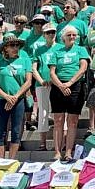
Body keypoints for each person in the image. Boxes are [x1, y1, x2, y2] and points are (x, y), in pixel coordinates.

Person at [47, 26, 89, 161]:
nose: (72, 37)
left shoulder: (81, 49)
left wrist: (70, 83)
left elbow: (83, 68)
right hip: (58, 86)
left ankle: (69, 151)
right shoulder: (57, 51)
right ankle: (57, 151)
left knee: (72, 120)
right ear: (63, 37)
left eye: (74, 35)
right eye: (69, 35)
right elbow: (52, 71)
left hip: (75, 85)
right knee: (58, 120)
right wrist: (61, 85)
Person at [0, 35, 33, 160]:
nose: (15, 48)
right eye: (12, 45)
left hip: (18, 98)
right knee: (2, 130)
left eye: (17, 45)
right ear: (5, 48)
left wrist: (15, 96)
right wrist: (6, 96)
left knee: (16, 130)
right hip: (2, 99)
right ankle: (1, 160)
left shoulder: (25, 60)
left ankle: (12, 160)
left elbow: (28, 81)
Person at [29, 24, 57, 152]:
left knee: (59, 114)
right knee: (43, 114)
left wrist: (54, 80)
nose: (51, 34)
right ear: (44, 35)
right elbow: (34, 68)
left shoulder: (61, 48)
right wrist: (41, 81)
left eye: (53, 32)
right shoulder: (38, 50)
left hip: (57, 84)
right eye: (48, 32)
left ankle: (58, 143)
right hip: (41, 85)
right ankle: (42, 143)